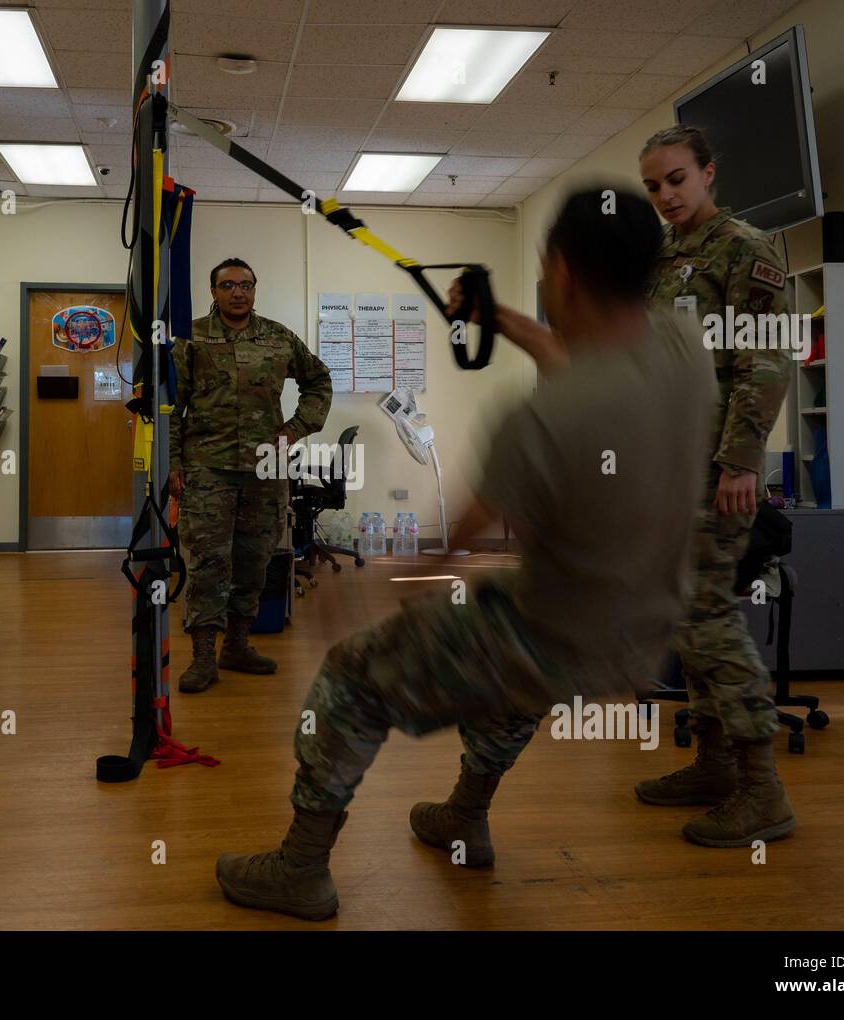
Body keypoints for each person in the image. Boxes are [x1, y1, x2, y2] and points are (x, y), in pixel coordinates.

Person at [213, 187, 717, 920]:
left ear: (564, 273)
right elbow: (582, 364)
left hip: (555, 638)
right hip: (638, 639)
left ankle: (300, 866)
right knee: (507, 654)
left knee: (353, 676)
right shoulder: (682, 349)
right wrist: (498, 316)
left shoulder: (544, 418)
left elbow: (453, 544)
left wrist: (378, 587)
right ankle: (464, 817)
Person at [634, 125, 796, 847]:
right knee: (686, 622)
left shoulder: (745, 249)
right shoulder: (664, 260)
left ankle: (763, 791)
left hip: (716, 473)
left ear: (707, 173)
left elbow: (763, 365)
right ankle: (713, 764)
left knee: (709, 620)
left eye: (675, 179)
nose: (665, 194)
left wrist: (740, 463)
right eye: (653, 185)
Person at [170, 258, 332, 693]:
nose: (238, 292)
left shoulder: (278, 338)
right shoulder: (191, 338)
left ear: (255, 290)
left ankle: (237, 645)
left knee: (254, 558)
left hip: (266, 466)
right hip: (208, 466)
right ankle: (203, 656)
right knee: (208, 562)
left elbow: (319, 380)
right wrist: (174, 464)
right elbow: (172, 405)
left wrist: (295, 429)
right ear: (214, 291)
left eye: (245, 285)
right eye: (228, 285)